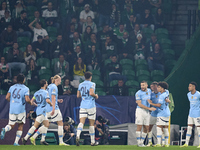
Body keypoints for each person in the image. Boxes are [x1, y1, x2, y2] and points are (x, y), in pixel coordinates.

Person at [0, 74, 31, 146]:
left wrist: (12, 102)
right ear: (23, 80)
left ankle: (5, 129)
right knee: (20, 125)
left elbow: (7, 97)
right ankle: (16, 142)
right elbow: (27, 99)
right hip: (20, 109)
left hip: (12, 109)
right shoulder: (26, 88)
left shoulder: (12, 87)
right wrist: (30, 102)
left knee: (11, 125)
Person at [22, 79, 53, 145]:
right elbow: (47, 100)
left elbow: (31, 101)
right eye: (47, 83)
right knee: (35, 126)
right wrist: (51, 104)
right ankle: (25, 138)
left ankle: (42, 139)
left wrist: (36, 104)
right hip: (42, 111)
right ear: (45, 84)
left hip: (39, 110)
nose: (47, 84)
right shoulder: (45, 92)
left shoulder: (36, 93)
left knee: (46, 125)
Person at [76, 71, 99, 146]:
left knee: (81, 122)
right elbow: (91, 93)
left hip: (83, 105)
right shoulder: (92, 84)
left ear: (84, 77)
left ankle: (78, 135)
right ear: (90, 77)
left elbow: (78, 96)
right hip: (91, 106)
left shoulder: (80, 84)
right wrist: (96, 96)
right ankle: (92, 141)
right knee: (91, 124)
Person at [148, 81, 170, 147]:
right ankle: (166, 144)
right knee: (166, 128)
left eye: (159, 87)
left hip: (161, 113)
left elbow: (159, 105)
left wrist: (151, 103)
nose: (158, 88)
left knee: (159, 128)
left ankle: (158, 143)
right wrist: (169, 101)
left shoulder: (161, 95)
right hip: (167, 112)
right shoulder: (166, 92)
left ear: (162, 88)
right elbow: (168, 99)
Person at [135, 81, 156, 147]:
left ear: (147, 85)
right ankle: (139, 142)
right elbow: (139, 104)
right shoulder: (138, 93)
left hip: (146, 112)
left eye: (143, 85)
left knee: (146, 128)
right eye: (141, 85)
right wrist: (149, 108)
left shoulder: (149, 91)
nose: (142, 87)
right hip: (140, 111)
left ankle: (141, 142)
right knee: (139, 126)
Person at [180, 82, 200, 148]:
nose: (189, 87)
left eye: (190, 86)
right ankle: (186, 143)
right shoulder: (188, 94)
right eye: (189, 86)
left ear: (194, 87)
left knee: (199, 129)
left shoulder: (198, 94)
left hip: (197, 114)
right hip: (190, 114)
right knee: (189, 128)